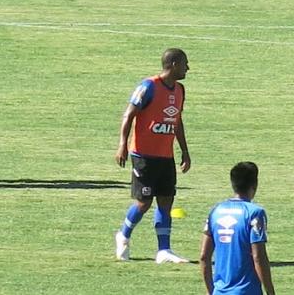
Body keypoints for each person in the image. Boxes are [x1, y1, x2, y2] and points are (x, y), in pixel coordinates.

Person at [114, 48, 191, 263]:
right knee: (144, 202)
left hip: (165, 156)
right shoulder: (148, 86)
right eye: (185, 63)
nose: (188, 68)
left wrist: (184, 150)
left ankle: (164, 250)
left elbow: (177, 120)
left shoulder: (180, 90)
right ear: (174, 64)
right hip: (144, 156)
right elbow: (129, 114)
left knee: (166, 200)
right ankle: (123, 235)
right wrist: (122, 145)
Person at [200, 162, 275, 295]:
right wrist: (270, 292)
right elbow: (258, 256)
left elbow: (204, 257)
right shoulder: (255, 213)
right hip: (247, 291)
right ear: (254, 185)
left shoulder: (215, 211)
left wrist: (210, 291)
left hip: (219, 291)